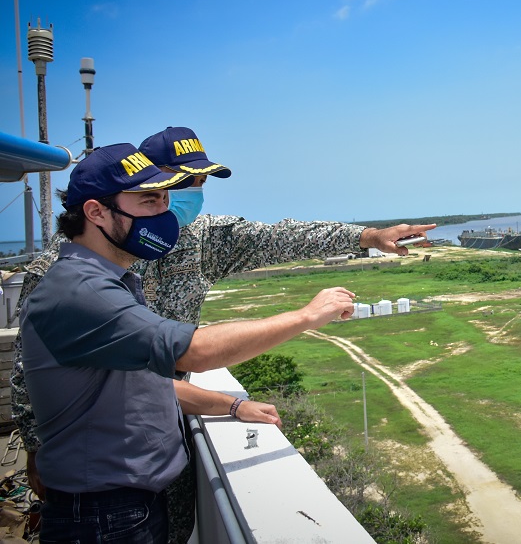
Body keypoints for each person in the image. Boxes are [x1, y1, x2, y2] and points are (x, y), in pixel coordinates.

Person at [11, 125, 434, 543]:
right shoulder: (74, 273)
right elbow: (30, 370)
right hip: (101, 475)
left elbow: (278, 238)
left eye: (196, 184)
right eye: (166, 188)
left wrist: (367, 236)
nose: (183, 196)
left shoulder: (197, 240)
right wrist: (36, 448)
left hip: (158, 444)